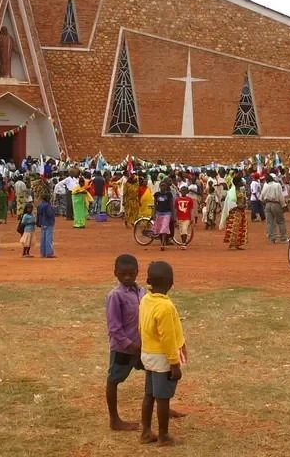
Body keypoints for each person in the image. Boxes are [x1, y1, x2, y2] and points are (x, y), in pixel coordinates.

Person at [139, 261, 186, 447]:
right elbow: (167, 339)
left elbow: (141, 326)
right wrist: (174, 364)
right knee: (163, 398)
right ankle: (164, 436)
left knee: (149, 395)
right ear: (171, 283)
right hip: (162, 358)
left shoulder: (145, 300)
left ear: (149, 281)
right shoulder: (166, 308)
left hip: (148, 354)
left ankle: (145, 432)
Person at [106, 254, 145, 432]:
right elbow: (114, 327)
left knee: (157, 372)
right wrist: (130, 345)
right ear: (116, 273)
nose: (127, 277)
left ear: (137, 272)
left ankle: (164, 406)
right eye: (123, 274)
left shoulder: (142, 292)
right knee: (114, 380)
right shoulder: (115, 296)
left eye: (131, 273)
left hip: (144, 346)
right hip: (124, 348)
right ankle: (114, 419)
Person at [259, 174, 287, 244]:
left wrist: (264, 202)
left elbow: (261, 197)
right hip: (276, 204)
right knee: (280, 221)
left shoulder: (266, 185)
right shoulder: (277, 185)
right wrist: (283, 205)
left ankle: (272, 238)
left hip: (267, 204)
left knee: (269, 222)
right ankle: (283, 238)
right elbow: (280, 196)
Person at [222, 178, 249, 250]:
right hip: (235, 211)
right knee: (234, 227)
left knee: (240, 227)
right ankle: (232, 244)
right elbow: (231, 202)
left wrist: (244, 204)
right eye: (240, 181)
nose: (242, 182)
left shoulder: (240, 190)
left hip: (241, 210)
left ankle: (237, 244)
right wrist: (239, 206)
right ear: (237, 183)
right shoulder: (232, 191)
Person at [152, 180, 174, 248]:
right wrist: (154, 214)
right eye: (161, 185)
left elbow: (171, 205)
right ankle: (162, 242)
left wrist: (172, 214)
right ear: (159, 186)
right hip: (159, 213)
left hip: (167, 213)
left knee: (164, 227)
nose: (162, 187)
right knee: (159, 228)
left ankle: (163, 243)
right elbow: (155, 205)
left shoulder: (169, 194)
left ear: (166, 186)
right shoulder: (157, 194)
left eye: (164, 185)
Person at [37, 192, 56, 258]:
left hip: (42, 223)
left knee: (43, 238)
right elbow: (50, 214)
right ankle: (49, 253)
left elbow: (38, 215)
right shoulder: (48, 205)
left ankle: (43, 253)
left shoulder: (40, 205)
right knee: (48, 238)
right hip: (48, 223)